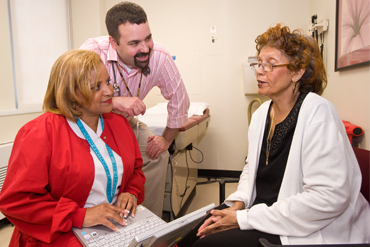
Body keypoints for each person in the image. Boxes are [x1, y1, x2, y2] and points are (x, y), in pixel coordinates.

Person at [178, 24, 370, 247]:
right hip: (262, 210)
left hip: (303, 226)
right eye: (258, 63)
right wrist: (239, 201)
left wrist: (243, 219)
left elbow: (327, 199)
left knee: (207, 245)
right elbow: (252, 166)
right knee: (193, 234)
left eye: (270, 64)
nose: (259, 70)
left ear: (297, 72)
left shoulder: (318, 112)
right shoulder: (261, 114)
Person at [0, 50, 146, 246]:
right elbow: (18, 201)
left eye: (108, 82)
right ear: (71, 94)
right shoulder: (39, 133)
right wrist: (79, 215)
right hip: (61, 230)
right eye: (96, 87)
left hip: (112, 223)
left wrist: (131, 192)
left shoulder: (119, 124)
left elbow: (135, 169)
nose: (109, 91)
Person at [80, 1, 190, 217]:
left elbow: (180, 101)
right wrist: (115, 102)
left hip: (124, 122)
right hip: (88, 121)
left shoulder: (159, 56)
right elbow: (70, 95)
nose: (145, 48)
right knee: (91, 168)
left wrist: (166, 139)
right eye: (134, 43)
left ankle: (148, 223)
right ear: (113, 42)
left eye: (148, 38)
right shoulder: (92, 52)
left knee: (157, 155)